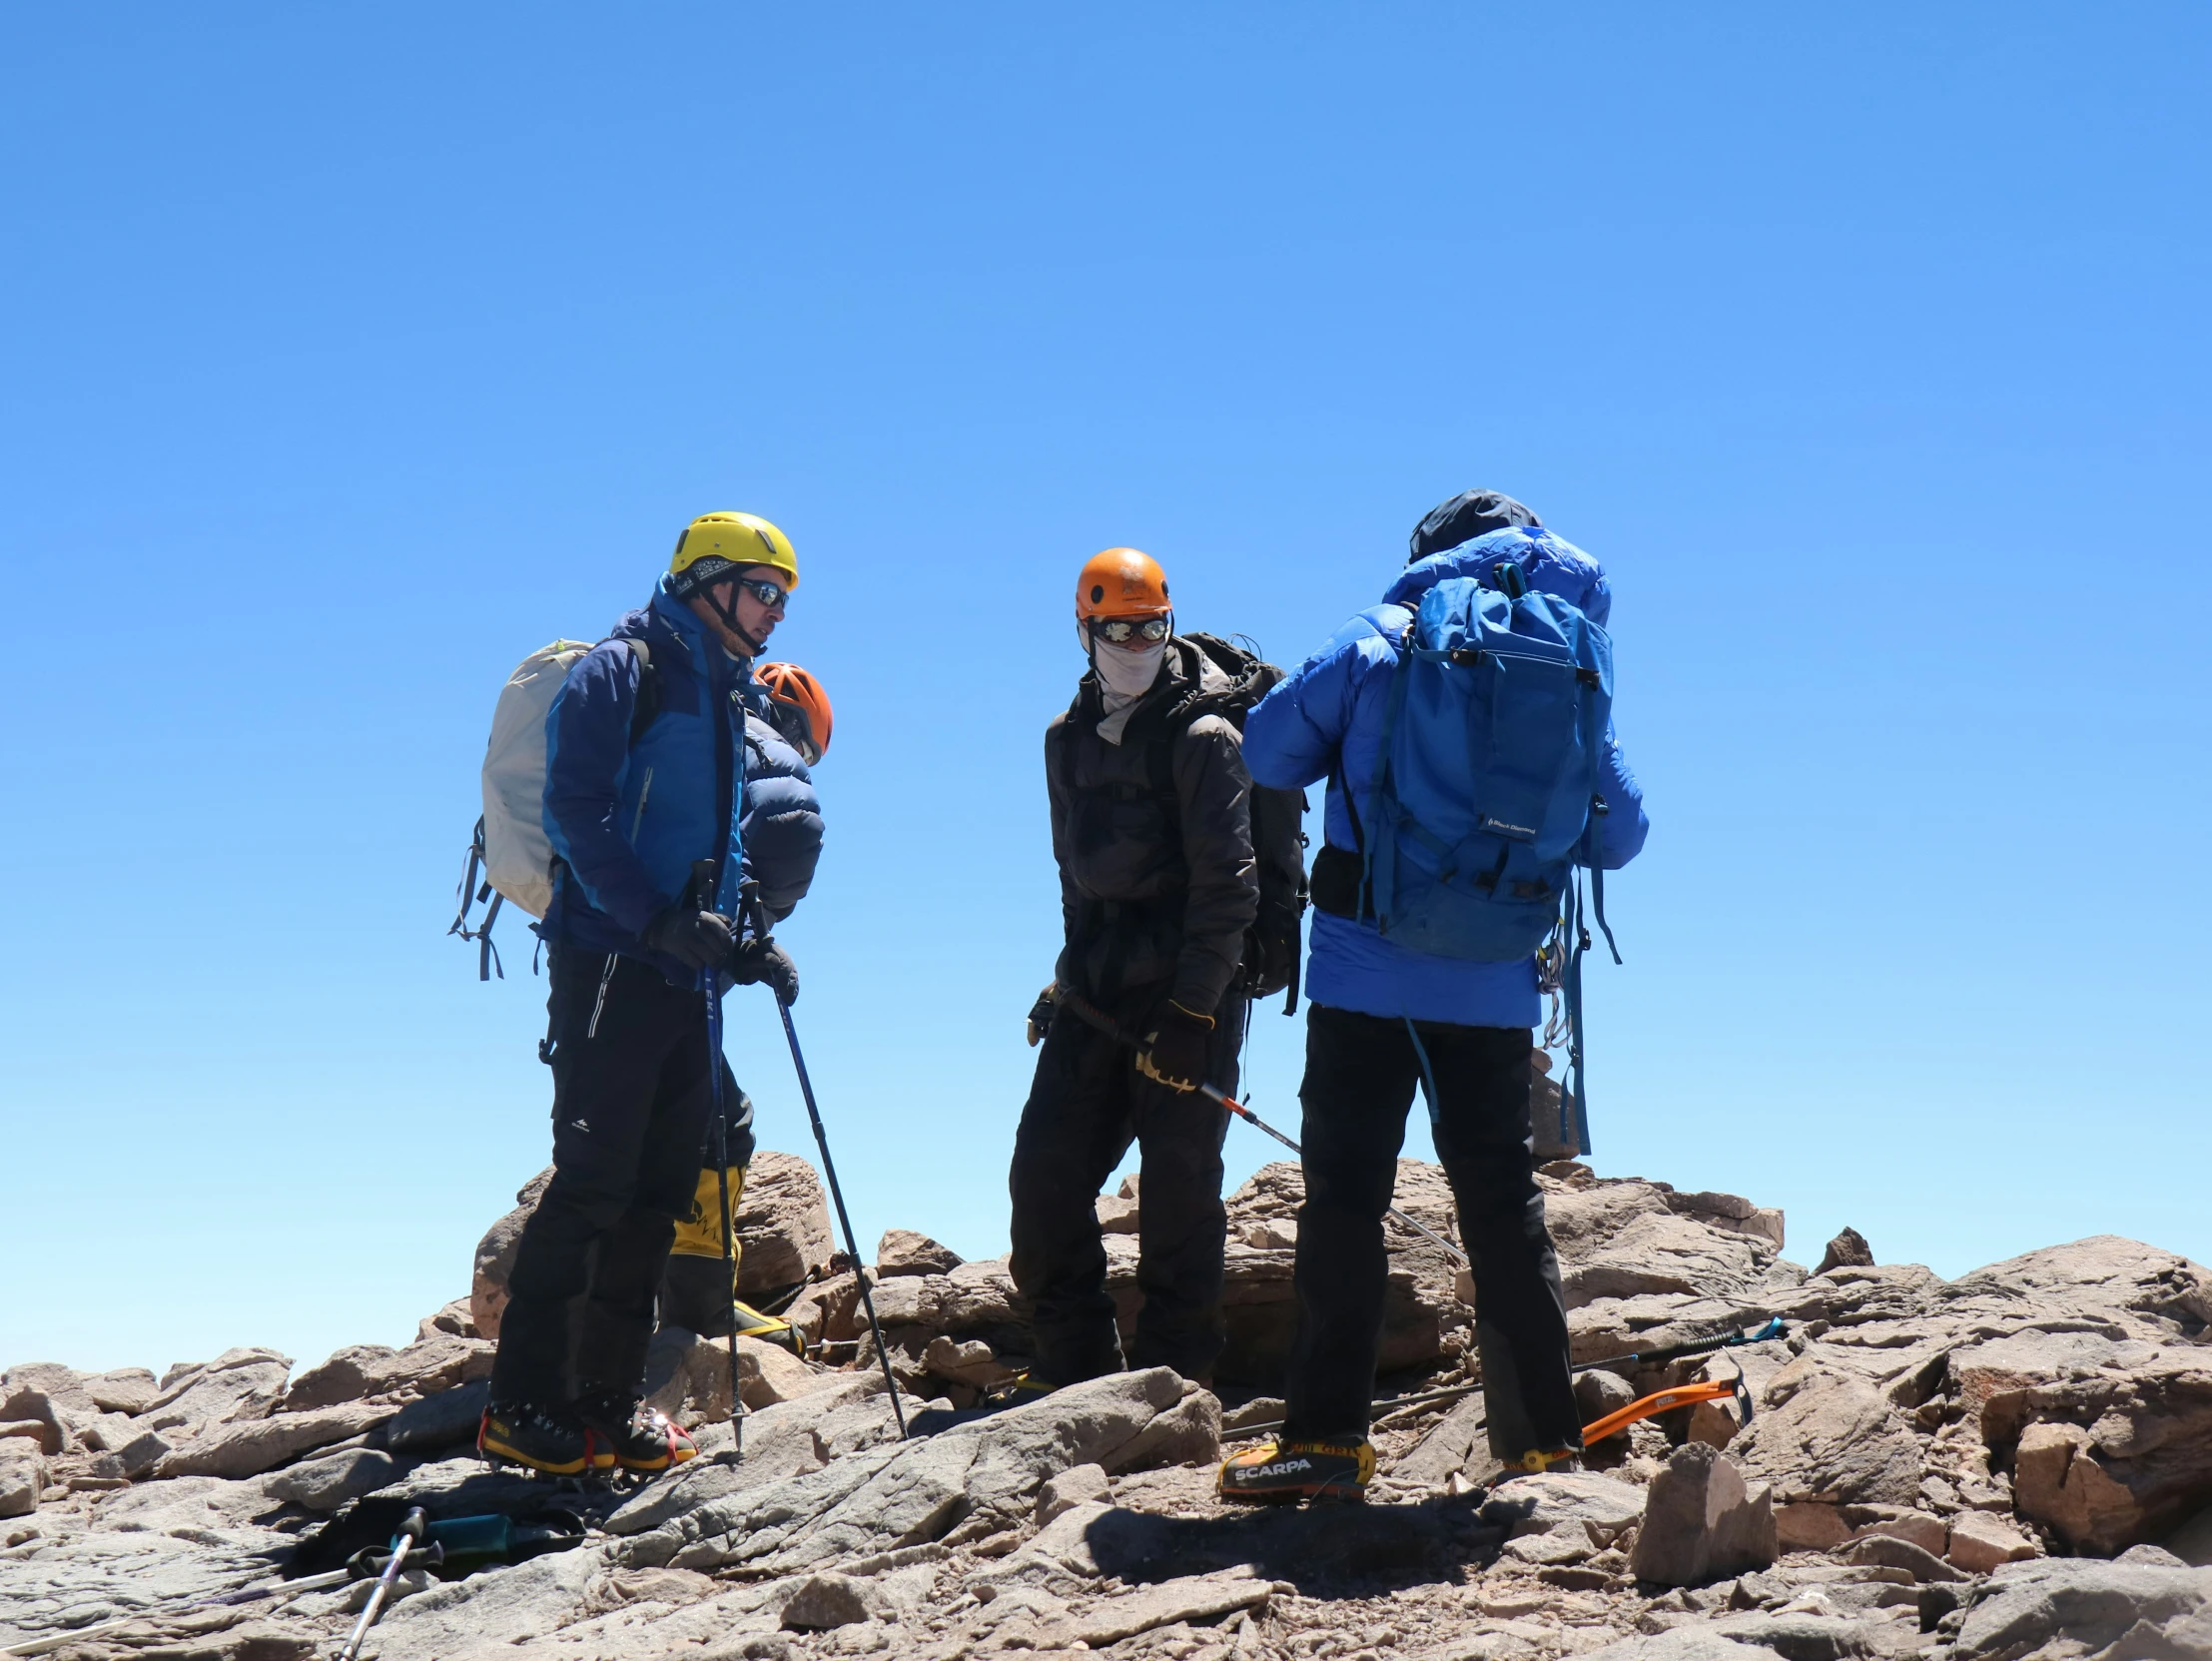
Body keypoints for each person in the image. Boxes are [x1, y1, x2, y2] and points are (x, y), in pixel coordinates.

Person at [1218, 489, 1650, 1502]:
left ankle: (1326, 1444)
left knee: (1346, 1204)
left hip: (1367, 972)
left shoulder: (1383, 638)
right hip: (1497, 983)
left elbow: (1266, 750)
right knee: (1504, 1206)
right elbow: (1620, 832)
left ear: (1429, 552)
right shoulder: (1576, 656)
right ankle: (1541, 1446)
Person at [478, 510, 802, 1476]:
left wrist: (746, 943)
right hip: (611, 960)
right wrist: (654, 919)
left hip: (681, 975)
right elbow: (575, 810)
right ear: (705, 580)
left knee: (658, 1194)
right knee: (592, 1186)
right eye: (763, 589)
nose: (775, 612)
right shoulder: (625, 667)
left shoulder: (719, 683)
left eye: (783, 596)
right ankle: (521, 1403)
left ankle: (609, 1402)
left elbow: (719, 838)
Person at [1008, 547, 1263, 1392]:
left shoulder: (1204, 737)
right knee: (1043, 1174)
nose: (1135, 641)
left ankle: (1172, 1386)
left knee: (1177, 1192)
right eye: (1116, 626)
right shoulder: (1065, 740)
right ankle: (1071, 1373)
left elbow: (1230, 887)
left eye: (1150, 625)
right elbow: (1070, 877)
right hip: (1098, 987)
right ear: (1084, 629)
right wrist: (1066, 978)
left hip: (1192, 989)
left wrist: (1193, 1013)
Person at [659, 662, 834, 1340]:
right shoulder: (762, 750)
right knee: (717, 1123)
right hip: (667, 973)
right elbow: (787, 830)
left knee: (681, 1120)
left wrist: (744, 950)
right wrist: (757, 935)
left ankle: (663, 1301)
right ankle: (697, 1310)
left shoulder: (688, 732)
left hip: (606, 952)